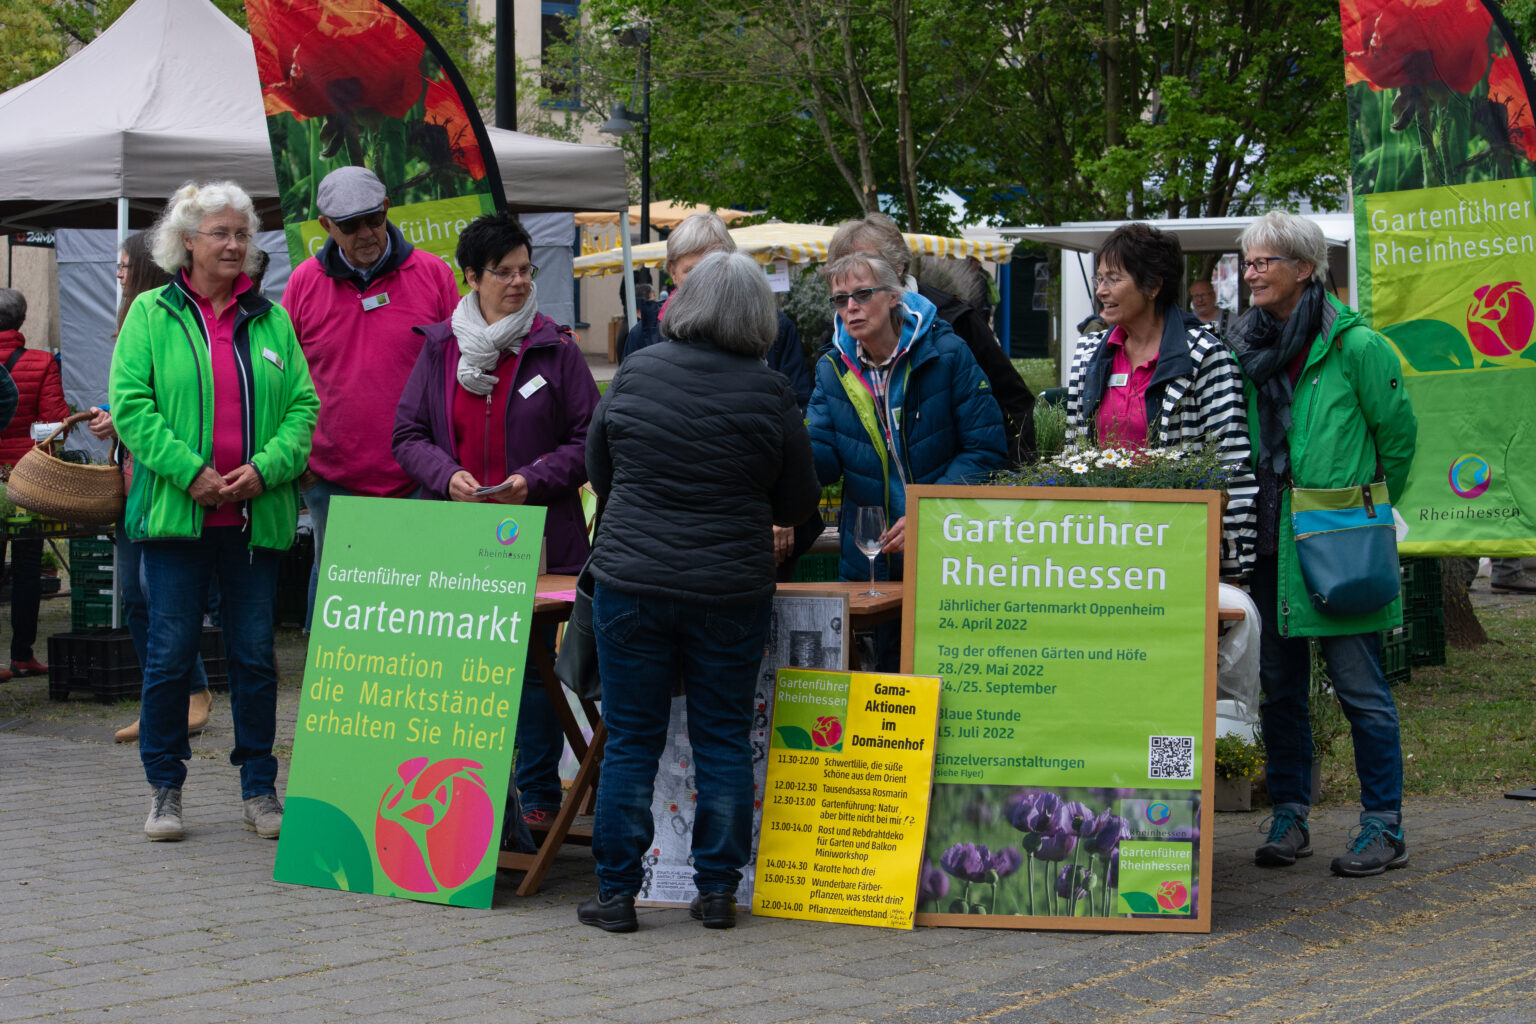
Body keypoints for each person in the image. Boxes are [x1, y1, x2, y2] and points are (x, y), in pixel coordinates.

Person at [579, 252, 820, 932]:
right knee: (722, 739)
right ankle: (718, 893)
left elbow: (599, 467)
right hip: (729, 591)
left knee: (629, 738)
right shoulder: (770, 391)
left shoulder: (636, 371)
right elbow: (799, 500)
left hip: (632, 582)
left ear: (685, 304)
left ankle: (617, 895)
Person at [110, 181, 318, 843]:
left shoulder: (272, 317)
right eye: (221, 233)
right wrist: (189, 472)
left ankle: (260, 789)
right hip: (177, 521)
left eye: (242, 233)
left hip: (255, 523)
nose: (235, 245)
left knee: (255, 657)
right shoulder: (150, 313)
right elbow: (131, 407)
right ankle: (165, 791)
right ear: (188, 242)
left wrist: (266, 469)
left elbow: (303, 409)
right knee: (170, 656)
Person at [393, 211, 598, 829]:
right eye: (502, 272)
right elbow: (407, 434)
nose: (517, 282)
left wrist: (530, 479)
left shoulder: (554, 349)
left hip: (535, 539)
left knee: (535, 671)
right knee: (466, 674)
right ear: (471, 277)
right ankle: (470, 802)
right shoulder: (439, 348)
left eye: (525, 270)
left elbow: (591, 439)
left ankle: (536, 795)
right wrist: (443, 475)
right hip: (455, 537)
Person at [1228, 212, 1417, 877]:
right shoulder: (1242, 346)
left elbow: (1398, 440)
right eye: (1246, 261)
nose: (1250, 272)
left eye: (1264, 261)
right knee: (1279, 691)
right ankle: (1290, 815)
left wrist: (1363, 510)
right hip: (1270, 542)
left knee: (1360, 689)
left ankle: (1383, 826)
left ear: (1305, 269)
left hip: (1336, 543)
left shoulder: (1356, 346)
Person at [807, 252, 1007, 668]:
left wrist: (926, 514)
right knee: (880, 686)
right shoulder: (832, 370)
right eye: (840, 300)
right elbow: (822, 462)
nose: (850, 308)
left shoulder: (948, 353)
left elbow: (986, 451)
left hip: (946, 548)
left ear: (895, 296)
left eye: (862, 294)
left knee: (944, 676)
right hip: (871, 559)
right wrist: (783, 444)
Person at [283, 165, 458, 630]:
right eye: (349, 225)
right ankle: (335, 697)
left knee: (418, 592)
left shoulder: (434, 275)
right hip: (332, 473)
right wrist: (298, 461)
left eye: (373, 219)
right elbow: (284, 377)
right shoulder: (303, 282)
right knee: (340, 592)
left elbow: (459, 367)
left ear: (386, 210)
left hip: (419, 470)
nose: (365, 233)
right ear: (325, 226)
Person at [620, 211, 820, 576]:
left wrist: (783, 511)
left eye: (715, 267)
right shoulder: (643, 337)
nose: (706, 282)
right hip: (660, 529)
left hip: (750, 525)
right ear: (672, 271)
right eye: (695, 271)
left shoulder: (775, 329)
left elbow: (799, 420)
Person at [1064, 223, 1257, 577]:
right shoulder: (1089, 353)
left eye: (1114, 279)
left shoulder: (1204, 355)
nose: (1102, 291)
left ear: (1153, 286)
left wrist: (1231, 571)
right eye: (1099, 280)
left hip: (1179, 546)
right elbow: (1073, 450)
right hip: (1100, 543)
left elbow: (1231, 466)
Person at [89, 232, 213, 743]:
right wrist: (113, 418)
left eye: (122, 266)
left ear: (142, 268)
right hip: (131, 486)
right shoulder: (132, 322)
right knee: (137, 599)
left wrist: (122, 421)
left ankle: (191, 693)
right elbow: (132, 398)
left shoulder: (165, 323)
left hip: (164, 484)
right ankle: (162, 700)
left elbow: (163, 406)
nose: (116, 275)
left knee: (157, 596)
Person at [826, 213, 1036, 464]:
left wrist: (1012, 479)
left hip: (955, 492)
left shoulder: (954, 319)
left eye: (865, 263)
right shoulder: (840, 340)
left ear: (898, 266)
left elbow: (1014, 403)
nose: (852, 274)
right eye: (844, 266)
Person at [0, 287, 70, 681]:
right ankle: (22, 655)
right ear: (22, 320)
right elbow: (56, 422)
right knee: (27, 568)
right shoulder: (41, 362)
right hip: (28, 480)